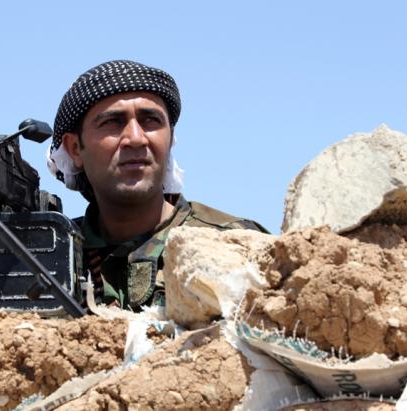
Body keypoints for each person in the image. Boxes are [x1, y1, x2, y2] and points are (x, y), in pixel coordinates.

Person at [47, 60, 267, 310]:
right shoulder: (50, 255)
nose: (136, 138)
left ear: (171, 138)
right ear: (75, 149)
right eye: (113, 122)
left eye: (150, 120)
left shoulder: (233, 244)